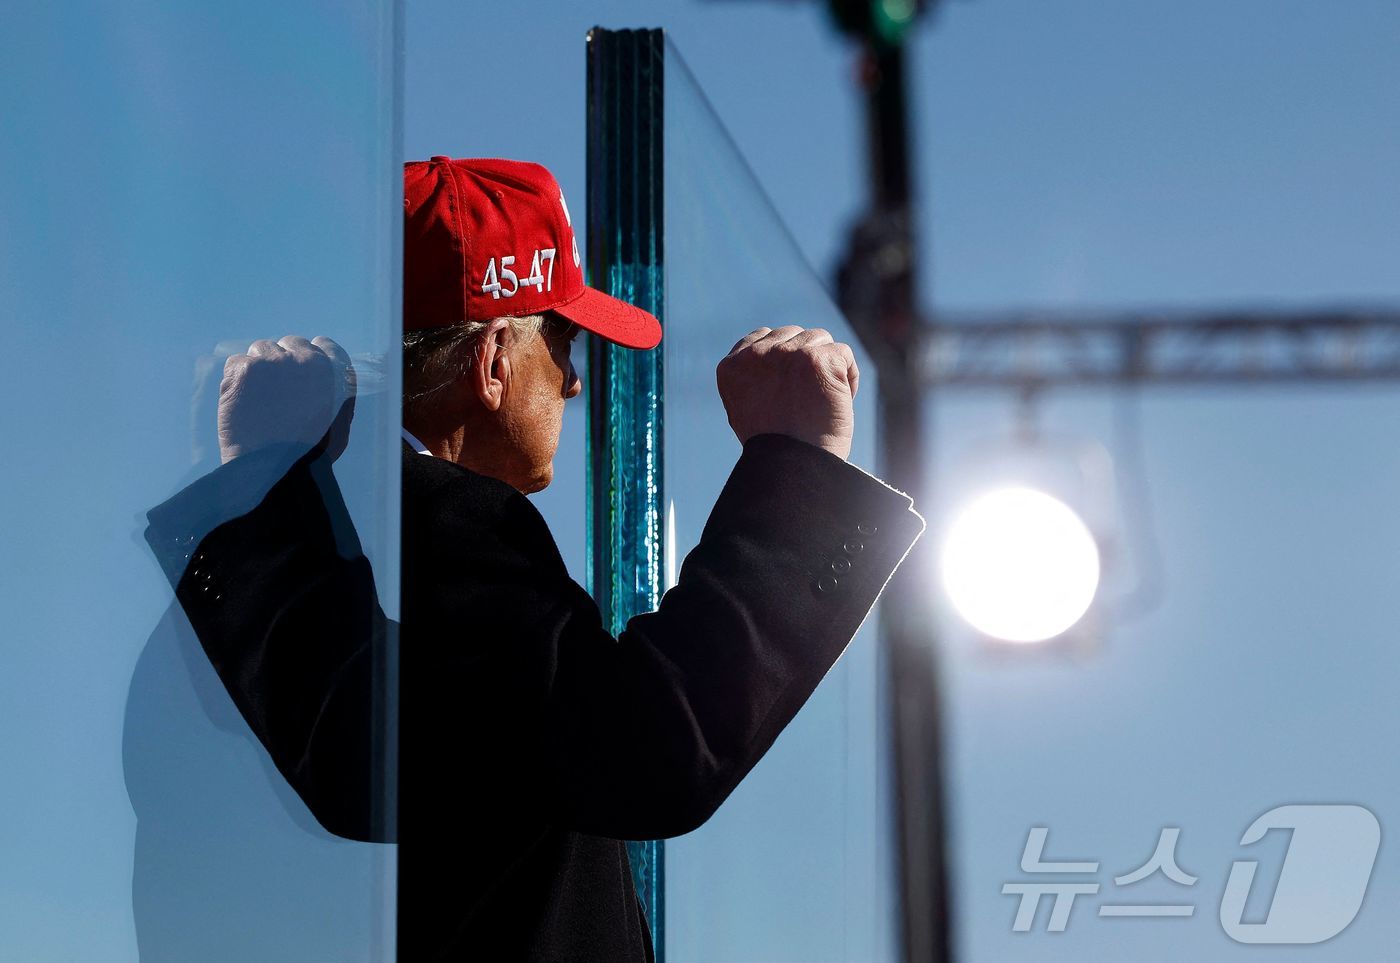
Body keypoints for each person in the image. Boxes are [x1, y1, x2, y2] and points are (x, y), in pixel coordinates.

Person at [145, 156, 925, 960]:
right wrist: (798, 466)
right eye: (564, 344)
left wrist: (259, 480)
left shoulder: (282, 554)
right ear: (492, 364)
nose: (577, 385)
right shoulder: (441, 526)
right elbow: (650, 743)